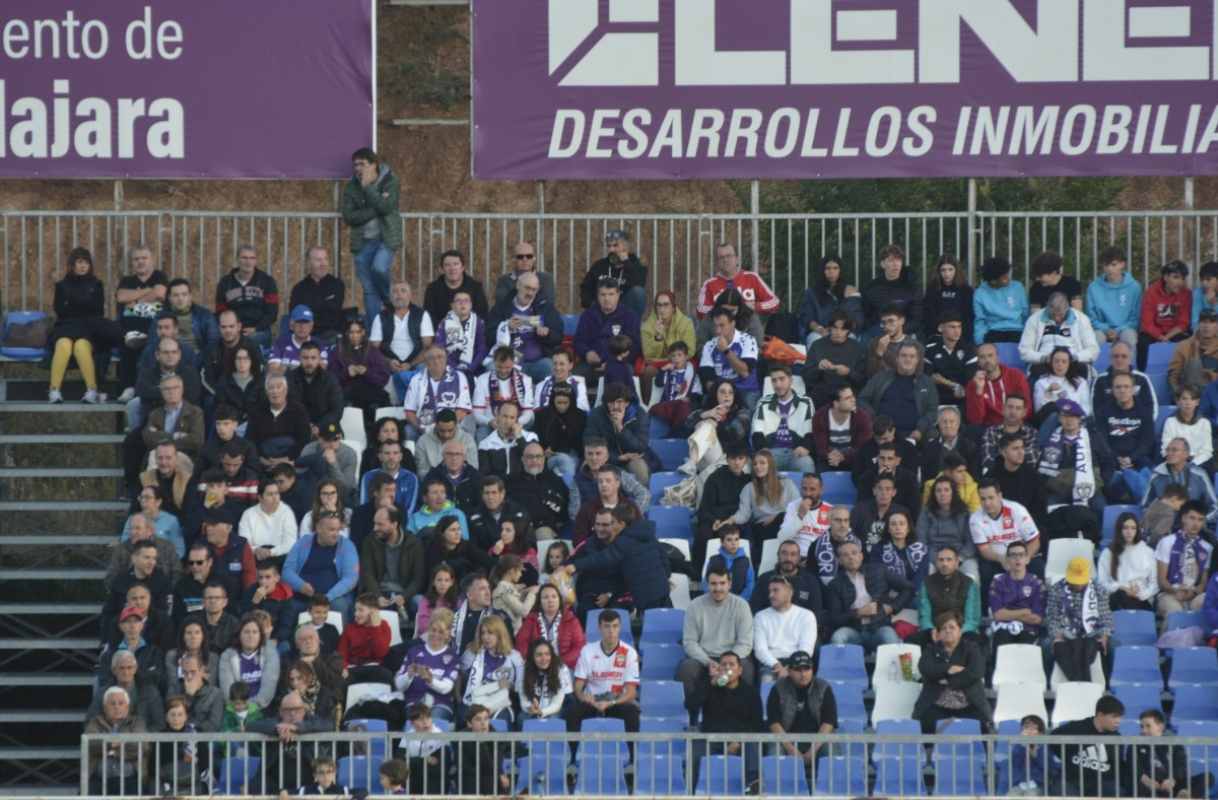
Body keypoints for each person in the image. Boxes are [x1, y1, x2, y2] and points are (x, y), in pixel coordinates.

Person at [47, 247, 118, 404]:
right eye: (79, 262)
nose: (83, 266)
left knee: (81, 346)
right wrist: (84, 303)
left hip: (88, 328)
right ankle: (54, 391)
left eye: (86, 262)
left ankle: (92, 390)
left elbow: (98, 310)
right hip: (66, 326)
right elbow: (60, 310)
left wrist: (72, 303)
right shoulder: (61, 285)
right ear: (72, 264)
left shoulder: (97, 284)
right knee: (63, 344)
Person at [689, 650, 763, 789]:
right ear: (719, 668)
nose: (728, 668)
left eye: (732, 664)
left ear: (740, 670)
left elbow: (757, 724)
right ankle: (693, 790)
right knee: (696, 749)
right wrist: (710, 683)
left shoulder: (750, 693)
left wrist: (738, 740)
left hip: (740, 740)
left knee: (752, 744)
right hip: (712, 738)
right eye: (724, 665)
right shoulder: (710, 686)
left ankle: (752, 787)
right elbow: (690, 705)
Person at [342, 147, 400, 323]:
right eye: (355, 165)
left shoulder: (390, 181)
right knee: (368, 288)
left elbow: (387, 207)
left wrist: (368, 188)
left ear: (374, 164)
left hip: (386, 238)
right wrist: (376, 208)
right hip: (363, 242)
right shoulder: (351, 186)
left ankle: (389, 300)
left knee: (379, 268)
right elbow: (350, 216)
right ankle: (375, 328)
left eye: (362, 164)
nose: (358, 168)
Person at [913, 611, 992, 734]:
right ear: (938, 633)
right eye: (943, 628)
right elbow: (925, 668)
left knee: (983, 727)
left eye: (952, 627)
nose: (948, 631)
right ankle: (929, 752)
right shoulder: (931, 649)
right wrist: (948, 668)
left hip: (968, 705)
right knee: (924, 723)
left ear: (960, 631)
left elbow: (976, 672)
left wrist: (947, 680)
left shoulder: (971, 648)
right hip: (937, 705)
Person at [825, 539, 911, 650]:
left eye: (854, 553)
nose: (851, 557)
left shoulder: (879, 570)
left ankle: (894, 667)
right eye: (845, 555)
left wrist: (892, 607)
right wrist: (858, 613)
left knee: (889, 636)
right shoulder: (835, 584)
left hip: (879, 627)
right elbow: (834, 618)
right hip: (854, 630)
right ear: (839, 560)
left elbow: (908, 588)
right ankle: (840, 668)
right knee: (838, 637)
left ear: (861, 556)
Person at [567, 608, 641, 732]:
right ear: (599, 628)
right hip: (593, 702)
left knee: (631, 712)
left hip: (616, 701)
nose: (611, 631)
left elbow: (631, 692)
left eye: (615, 626)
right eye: (607, 626)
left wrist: (611, 703)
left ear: (620, 627)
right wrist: (584, 697)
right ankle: (574, 751)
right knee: (573, 712)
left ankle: (631, 751)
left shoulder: (629, 652)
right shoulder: (588, 650)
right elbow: (578, 686)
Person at [765, 650, 837, 774]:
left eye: (807, 669)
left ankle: (832, 791)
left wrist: (813, 750)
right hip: (787, 739)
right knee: (775, 749)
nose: (803, 674)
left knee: (831, 747)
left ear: (812, 669)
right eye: (798, 670)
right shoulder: (778, 688)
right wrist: (791, 749)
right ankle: (776, 792)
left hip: (817, 739)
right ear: (789, 671)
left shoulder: (823, 687)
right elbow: (774, 722)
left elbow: (828, 722)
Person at [487, 270, 563, 385]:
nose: (530, 293)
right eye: (527, 288)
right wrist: (505, 328)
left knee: (550, 367)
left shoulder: (545, 307)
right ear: (518, 285)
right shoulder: (502, 307)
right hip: (508, 363)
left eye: (534, 290)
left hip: (537, 363)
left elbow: (558, 336)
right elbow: (488, 335)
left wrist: (547, 334)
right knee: (492, 368)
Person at [114, 244, 169, 400]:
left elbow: (160, 292)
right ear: (132, 263)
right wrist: (147, 292)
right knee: (128, 341)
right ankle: (129, 387)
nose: (140, 262)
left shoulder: (159, 276)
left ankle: (147, 387)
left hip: (152, 327)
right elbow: (121, 297)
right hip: (129, 328)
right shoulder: (127, 280)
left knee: (151, 345)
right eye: (136, 259)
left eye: (144, 258)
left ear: (152, 260)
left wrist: (135, 300)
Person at [970, 479, 1041, 597]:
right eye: (983, 499)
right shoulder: (975, 519)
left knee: (1038, 567)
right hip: (996, 559)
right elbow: (984, 550)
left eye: (991, 498)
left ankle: (1039, 608)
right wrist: (1001, 559)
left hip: (1021, 555)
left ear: (999, 496)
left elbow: (1034, 541)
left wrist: (1025, 558)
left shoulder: (1017, 510)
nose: (987, 503)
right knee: (985, 572)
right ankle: (987, 611)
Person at [282, 511, 360, 618]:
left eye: (338, 530)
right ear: (319, 528)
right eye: (332, 530)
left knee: (340, 606)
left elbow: (351, 578)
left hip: (333, 597)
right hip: (303, 595)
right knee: (289, 605)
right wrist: (300, 585)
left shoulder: (347, 546)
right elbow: (287, 571)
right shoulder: (303, 542)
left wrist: (328, 597)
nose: (336, 534)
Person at [1047, 557, 1112, 682]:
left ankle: (1077, 686)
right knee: (1063, 647)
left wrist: (1104, 635)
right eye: (1074, 581)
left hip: (1091, 636)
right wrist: (1057, 634)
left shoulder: (1099, 591)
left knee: (1084, 646)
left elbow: (1105, 617)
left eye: (1081, 581)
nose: (1078, 584)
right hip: (1065, 636)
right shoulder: (1056, 590)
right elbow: (1052, 618)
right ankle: (1085, 685)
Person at [1095, 372, 1157, 503]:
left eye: (1126, 387)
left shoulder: (1144, 412)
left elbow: (1147, 442)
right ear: (1112, 390)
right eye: (1118, 387)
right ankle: (1143, 501)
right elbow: (1102, 442)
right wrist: (1117, 458)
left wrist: (1131, 458)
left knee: (1145, 474)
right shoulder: (1103, 412)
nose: (1122, 390)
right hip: (1111, 462)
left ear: (1133, 389)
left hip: (1138, 460)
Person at [359, 505, 425, 626]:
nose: (375, 528)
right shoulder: (369, 541)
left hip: (405, 593)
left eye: (380, 524)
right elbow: (367, 574)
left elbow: (418, 579)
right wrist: (377, 596)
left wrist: (404, 596)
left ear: (394, 524)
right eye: (375, 523)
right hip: (379, 592)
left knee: (420, 601)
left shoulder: (414, 543)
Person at [858, 342, 938, 441]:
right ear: (897, 358)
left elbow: (933, 410)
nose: (907, 359)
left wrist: (920, 429)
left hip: (913, 435)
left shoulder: (926, 382)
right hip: (883, 435)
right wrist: (876, 420)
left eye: (912, 356)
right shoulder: (881, 377)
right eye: (903, 355)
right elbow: (862, 399)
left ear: (917, 360)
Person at [371, 280, 435, 403]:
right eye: (395, 292)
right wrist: (388, 361)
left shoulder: (422, 315)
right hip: (389, 364)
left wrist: (410, 364)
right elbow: (374, 349)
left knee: (425, 369)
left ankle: (407, 404)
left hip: (416, 363)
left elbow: (427, 346)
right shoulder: (381, 317)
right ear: (390, 296)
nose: (399, 295)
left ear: (410, 295)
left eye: (403, 291)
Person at [574, 278, 642, 391]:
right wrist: (587, 353)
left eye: (611, 294)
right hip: (592, 365)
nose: (607, 298)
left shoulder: (630, 316)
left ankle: (617, 407)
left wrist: (613, 361)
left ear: (618, 295)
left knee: (622, 374)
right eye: (603, 294)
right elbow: (578, 341)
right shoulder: (588, 315)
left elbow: (634, 346)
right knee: (571, 379)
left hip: (620, 364)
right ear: (597, 296)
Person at [731, 450, 799, 561]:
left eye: (762, 463)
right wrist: (731, 520)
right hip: (762, 528)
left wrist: (777, 516)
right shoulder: (749, 488)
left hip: (784, 524)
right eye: (755, 464)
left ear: (770, 465)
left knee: (784, 519)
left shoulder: (787, 483)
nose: (758, 466)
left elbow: (797, 508)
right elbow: (743, 514)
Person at [1052, 695, 1124, 798]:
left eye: (1120, 717)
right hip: (1072, 780)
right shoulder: (1076, 727)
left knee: (1116, 791)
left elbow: (1116, 765)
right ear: (1100, 715)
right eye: (1114, 716)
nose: (1118, 721)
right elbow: (1053, 738)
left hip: (1100, 784)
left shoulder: (1116, 737)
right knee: (1061, 789)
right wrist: (1066, 757)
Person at [328, 317, 390, 436]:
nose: (354, 336)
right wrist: (346, 373)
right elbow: (330, 379)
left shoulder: (373, 351)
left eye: (358, 332)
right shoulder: (337, 351)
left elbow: (383, 378)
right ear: (346, 334)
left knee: (376, 404)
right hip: (347, 394)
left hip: (370, 393)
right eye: (351, 332)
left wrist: (367, 372)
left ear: (363, 333)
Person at [585, 382, 654, 485]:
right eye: (611, 402)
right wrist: (617, 457)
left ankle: (641, 498)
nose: (615, 406)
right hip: (605, 457)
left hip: (633, 457)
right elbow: (590, 442)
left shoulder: (639, 414)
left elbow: (640, 446)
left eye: (619, 402)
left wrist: (621, 428)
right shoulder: (596, 415)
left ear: (627, 403)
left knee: (639, 468)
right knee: (588, 464)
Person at [85, 686, 150, 795]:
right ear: (105, 707)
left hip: (130, 779)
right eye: (112, 703)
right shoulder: (95, 722)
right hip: (99, 780)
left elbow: (142, 746)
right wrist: (113, 744)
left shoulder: (137, 722)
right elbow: (91, 744)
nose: (116, 707)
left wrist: (112, 751)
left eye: (120, 703)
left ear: (127, 707)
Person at [750, 365, 815, 473]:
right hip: (771, 452)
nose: (778, 384)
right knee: (760, 466)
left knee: (806, 464)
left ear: (790, 380)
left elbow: (810, 430)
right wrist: (763, 451)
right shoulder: (763, 402)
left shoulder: (805, 402)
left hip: (796, 452)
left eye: (782, 379)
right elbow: (757, 431)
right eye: (774, 380)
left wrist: (805, 447)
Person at [753, 574, 818, 681]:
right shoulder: (761, 616)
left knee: (800, 678)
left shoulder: (806, 615)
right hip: (770, 664)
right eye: (770, 591)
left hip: (798, 662)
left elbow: (806, 648)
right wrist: (777, 666)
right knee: (766, 680)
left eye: (776, 590)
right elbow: (760, 650)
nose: (771, 595)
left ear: (789, 593)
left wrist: (789, 668)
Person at [460, 615, 524, 721]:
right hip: (475, 701)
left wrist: (510, 686)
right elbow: (462, 679)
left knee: (501, 720)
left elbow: (520, 686)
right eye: (483, 633)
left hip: (501, 703)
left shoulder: (514, 657)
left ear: (500, 634)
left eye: (490, 633)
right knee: (464, 716)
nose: (485, 637)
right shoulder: (471, 654)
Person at [215, 244, 279, 350]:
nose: (248, 262)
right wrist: (233, 328)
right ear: (237, 260)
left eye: (252, 258)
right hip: (232, 329)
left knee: (249, 341)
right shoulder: (225, 283)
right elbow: (220, 311)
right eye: (244, 258)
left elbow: (272, 313)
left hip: (259, 330)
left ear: (256, 261)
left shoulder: (267, 281)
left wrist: (256, 328)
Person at [1155, 500, 1213, 615]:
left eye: (1200, 519)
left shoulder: (1207, 548)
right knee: (1175, 611)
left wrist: (1194, 593)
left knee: (1206, 601)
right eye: (1192, 518)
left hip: (1194, 594)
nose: (1196, 524)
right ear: (1183, 518)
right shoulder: (1167, 542)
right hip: (1169, 593)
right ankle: (1170, 633)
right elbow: (1161, 580)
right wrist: (1175, 590)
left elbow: (1204, 582)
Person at [403, 345, 472, 440]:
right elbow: (409, 411)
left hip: (451, 425)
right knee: (408, 431)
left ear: (446, 359)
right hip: (423, 425)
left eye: (440, 357)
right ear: (426, 362)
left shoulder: (459, 377)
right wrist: (420, 427)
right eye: (431, 358)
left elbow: (462, 410)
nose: (436, 361)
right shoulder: (416, 380)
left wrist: (445, 428)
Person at [699, 306, 761, 412]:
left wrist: (726, 351)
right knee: (705, 408)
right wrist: (721, 396)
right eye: (716, 326)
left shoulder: (748, 340)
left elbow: (745, 372)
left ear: (733, 324)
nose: (718, 331)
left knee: (743, 416)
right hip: (721, 392)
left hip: (745, 390)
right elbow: (708, 380)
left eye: (722, 325)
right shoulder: (709, 345)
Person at [696, 241, 780, 319]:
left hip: (749, 328)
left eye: (729, 256)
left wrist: (752, 306)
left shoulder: (752, 277)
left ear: (737, 259)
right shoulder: (709, 284)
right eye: (721, 257)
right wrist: (722, 309)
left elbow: (774, 302)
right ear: (717, 262)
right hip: (720, 330)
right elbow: (700, 311)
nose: (725, 260)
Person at [1019, 291, 1100, 371]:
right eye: (1053, 314)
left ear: (1067, 308)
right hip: (1044, 362)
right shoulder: (1034, 319)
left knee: (1082, 371)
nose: (1057, 318)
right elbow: (1024, 351)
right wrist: (1044, 358)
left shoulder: (1082, 319)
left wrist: (1074, 357)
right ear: (1047, 307)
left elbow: (1093, 350)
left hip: (1073, 362)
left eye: (1061, 314)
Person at [640, 291, 698, 403]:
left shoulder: (685, 323)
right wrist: (658, 337)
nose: (662, 309)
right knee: (648, 371)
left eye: (666, 305)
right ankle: (649, 405)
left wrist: (673, 360)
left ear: (673, 307)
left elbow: (690, 351)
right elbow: (648, 354)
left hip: (680, 361)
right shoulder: (648, 325)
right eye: (659, 305)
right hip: (659, 363)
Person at [916, 546, 981, 644]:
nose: (944, 564)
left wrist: (959, 632)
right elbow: (924, 615)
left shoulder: (969, 583)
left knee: (977, 642)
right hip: (936, 630)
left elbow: (972, 619)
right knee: (913, 641)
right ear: (936, 563)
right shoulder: (927, 583)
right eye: (941, 560)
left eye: (949, 560)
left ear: (957, 562)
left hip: (962, 631)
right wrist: (932, 630)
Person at [513, 583, 585, 671]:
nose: (550, 600)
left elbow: (579, 646)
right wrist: (535, 661)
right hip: (536, 666)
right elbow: (521, 643)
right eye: (545, 597)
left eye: (554, 597)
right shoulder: (531, 619)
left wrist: (560, 662)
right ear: (539, 601)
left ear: (559, 600)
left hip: (564, 666)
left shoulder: (571, 620)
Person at [988, 540, 1046, 650]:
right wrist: (1025, 612)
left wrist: (1009, 614)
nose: (1017, 559)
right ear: (1007, 560)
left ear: (1027, 559)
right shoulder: (998, 582)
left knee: (1026, 646)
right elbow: (998, 615)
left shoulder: (1036, 583)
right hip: (1003, 628)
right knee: (1001, 640)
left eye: (1021, 555)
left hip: (1028, 629)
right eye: (1013, 555)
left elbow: (1037, 618)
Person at [917, 476, 977, 579]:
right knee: (926, 573)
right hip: (933, 554)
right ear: (934, 494)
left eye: (946, 490)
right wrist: (937, 559)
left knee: (971, 576)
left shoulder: (964, 512)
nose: (942, 494)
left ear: (953, 492)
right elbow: (921, 540)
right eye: (938, 491)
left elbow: (970, 542)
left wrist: (959, 559)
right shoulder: (926, 512)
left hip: (960, 554)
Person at [1143, 439, 1218, 523]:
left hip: (1194, 529)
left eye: (1174, 450)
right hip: (1165, 528)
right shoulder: (1156, 475)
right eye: (1168, 450)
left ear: (1186, 454)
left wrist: (1200, 521)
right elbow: (1145, 506)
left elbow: (1215, 507)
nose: (1169, 453)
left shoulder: (1199, 475)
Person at [247, 375, 312, 470]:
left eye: (278, 387)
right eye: (271, 388)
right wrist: (262, 459)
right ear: (266, 392)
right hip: (264, 460)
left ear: (286, 390)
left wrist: (286, 459)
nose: (275, 391)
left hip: (290, 460)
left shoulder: (299, 410)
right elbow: (250, 438)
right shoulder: (257, 411)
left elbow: (304, 438)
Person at [508, 442, 570, 540]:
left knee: (544, 533)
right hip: (519, 529)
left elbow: (565, 507)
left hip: (548, 529)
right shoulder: (511, 482)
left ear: (544, 459)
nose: (534, 460)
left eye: (538, 456)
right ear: (523, 459)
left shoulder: (555, 480)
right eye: (530, 457)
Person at [797, 254, 863, 347]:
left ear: (841, 271)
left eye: (835, 268)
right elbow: (808, 318)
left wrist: (840, 331)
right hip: (820, 332)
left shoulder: (849, 291)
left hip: (844, 331)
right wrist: (821, 330)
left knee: (851, 340)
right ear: (822, 271)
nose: (831, 271)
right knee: (815, 340)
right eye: (827, 268)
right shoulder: (811, 293)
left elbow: (856, 319)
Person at [580, 228, 648, 316]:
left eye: (615, 245)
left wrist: (626, 263)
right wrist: (593, 305)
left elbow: (639, 284)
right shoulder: (600, 265)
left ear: (625, 246)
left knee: (638, 292)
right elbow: (585, 289)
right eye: (609, 246)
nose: (611, 250)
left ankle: (632, 327)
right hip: (602, 309)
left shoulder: (636, 264)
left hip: (624, 311)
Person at [1098, 512, 1158, 612]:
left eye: (1133, 528)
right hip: (1117, 597)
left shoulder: (1148, 552)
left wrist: (1141, 594)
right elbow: (1102, 583)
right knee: (1120, 596)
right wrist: (1122, 588)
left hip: (1141, 598)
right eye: (1125, 528)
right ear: (1119, 529)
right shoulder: (1108, 552)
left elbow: (1155, 583)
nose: (1129, 532)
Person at [218, 614, 280, 710]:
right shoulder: (227, 655)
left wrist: (252, 706)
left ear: (260, 635)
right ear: (239, 635)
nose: (250, 636)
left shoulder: (270, 653)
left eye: (255, 632)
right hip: (235, 708)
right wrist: (238, 707)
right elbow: (227, 689)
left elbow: (269, 687)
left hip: (263, 708)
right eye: (246, 632)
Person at [1087, 246, 1143, 352]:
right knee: (1094, 339)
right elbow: (1091, 318)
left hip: (1126, 329)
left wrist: (1118, 330)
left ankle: (1129, 368)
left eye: (1113, 265)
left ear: (1122, 264)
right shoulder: (1093, 287)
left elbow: (1135, 318)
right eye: (1106, 265)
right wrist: (1106, 329)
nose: (1109, 269)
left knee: (1129, 337)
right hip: (1101, 330)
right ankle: (1092, 369)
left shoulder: (1134, 287)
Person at [1140, 260, 1193, 370]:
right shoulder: (1151, 292)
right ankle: (1141, 376)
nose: (1180, 282)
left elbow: (1184, 322)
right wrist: (1160, 336)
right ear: (1165, 277)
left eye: (1183, 278)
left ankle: (1184, 377)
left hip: (1174, 332)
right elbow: (1147, 323)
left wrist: (1167, 337)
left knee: (1189, 343)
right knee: (1142, 343)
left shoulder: (1186, 293)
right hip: (1154, 332)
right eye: (1176, 277)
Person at [966, 343, 1034, 427]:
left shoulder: (1016, 376)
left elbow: (1027, 408)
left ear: (998, 357)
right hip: (989, 428)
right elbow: (975, 420)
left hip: (1015, 424)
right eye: (982, 357)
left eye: (990, 355)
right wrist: (979, 392)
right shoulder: (973, 384)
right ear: (978, 362)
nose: (987, 360)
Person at [288, 247, 345, 344]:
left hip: (330, 334)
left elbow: (333, 314)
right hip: (305, 334)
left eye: (325, 259)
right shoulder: (299, 288)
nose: (323, 264)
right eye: (318, 260)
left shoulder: (337, 285)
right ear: (309, 263)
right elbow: (296, 315)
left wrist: (309, 313)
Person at [861, 243, 921, 336]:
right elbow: (866, 317)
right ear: (882, 264)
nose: (896, 264)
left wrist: (898, 332)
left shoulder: (911, 287)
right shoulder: (871, 288)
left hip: (905, 333)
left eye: (899, 260)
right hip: (878, 332)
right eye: (891, 260)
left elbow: (916, 319)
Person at [811, 385, 872, 473]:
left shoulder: (862, 417)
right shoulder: (820, 416)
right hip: (829, 459)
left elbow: (862, 447)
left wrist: (843, 457)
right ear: (836, 403)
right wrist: (831, 456)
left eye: (852, 396)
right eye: (847, 398)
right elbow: (821, 447)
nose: (853, 400)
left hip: (853, 459)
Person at [286, 341, 344, 434]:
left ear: (319, 359)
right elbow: (287, 406)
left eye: (313, 358)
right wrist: (304, 424)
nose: (309, 362)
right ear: (299, 358)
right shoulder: (289, 378)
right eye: (305, 358)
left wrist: (319, 427)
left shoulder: (330, 379)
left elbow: (337, 410)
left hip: (326, 427)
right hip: (297, 427)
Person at [1093, 341, 1159, 420]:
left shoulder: (1142, 379)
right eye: (1116, 356)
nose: (1119, 360)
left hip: (1138, 428)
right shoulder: (1100, 380)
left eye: (1124, 356)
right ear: (1110, 358)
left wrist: (1141, 427)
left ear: (1130, 358)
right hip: (1109, 428)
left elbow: (1152, 408)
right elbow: (1095, 410)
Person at [455, 705, 512, 796]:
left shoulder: (495, 736)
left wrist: (501, 773)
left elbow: (499, 758)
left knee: (502, 781)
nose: (483, 723)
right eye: (478, 719)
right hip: (472, 780)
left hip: (491, 778)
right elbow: (465, 767)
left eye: (486, 719)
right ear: (469, 723)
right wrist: (481, 743)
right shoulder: (461, 739)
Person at [423, 249, 489, 326]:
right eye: (447, 265)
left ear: (462, 267)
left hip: (470, 332)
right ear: (442, 269)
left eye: (456, 264)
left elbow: (482, 315)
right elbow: (429, 318)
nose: (452, 268)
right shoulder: (432, 289)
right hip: (441, 332)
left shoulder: (475, 287)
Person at [239, 479, 298, 564]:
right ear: (260, 498)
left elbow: (290, 543)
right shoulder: (248, 514)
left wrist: (271, 552)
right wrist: (256, 550)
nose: (275, 498)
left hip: (280, 558)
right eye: (270, 494)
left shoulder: (287, 512)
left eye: (277, 493)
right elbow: (244, 542)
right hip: (256, 558)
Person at [973, 255, 1029, 344]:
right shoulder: (980, 293)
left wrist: (1028, 335)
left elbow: (1025, 313)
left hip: (1017, 330)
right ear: (993, 281)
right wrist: (980, 341)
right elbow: (980, 320)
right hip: (993, 331)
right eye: (1004, 277)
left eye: (1007, 274)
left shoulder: (1017, 287)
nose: (1008, 278)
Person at [924, 311, 976, 407]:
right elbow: (929, 377)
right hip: (937, 400)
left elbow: (970, 380)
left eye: (959, 327)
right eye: (952, 327)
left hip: (962, 400)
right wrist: (954, 385)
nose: (957, 331)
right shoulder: (930, 349)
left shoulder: (969, 350)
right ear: (940, 328)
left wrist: (943, 381)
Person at [338, 593, 392, 684]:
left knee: (387, 675)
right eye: (356, 610)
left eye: (360, 610)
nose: (356, 613)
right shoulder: (350, 628)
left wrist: (375, 628)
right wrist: (343, 667)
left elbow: (381, 653)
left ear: (373, 612)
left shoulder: (383, 626)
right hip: (353, 669)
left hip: (375, 668)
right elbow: (342, 653)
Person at [434, 289, 488, 379]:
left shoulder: (479, 323)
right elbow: (440, 348)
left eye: (466, 301)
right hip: (449, 368)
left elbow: (482, 349)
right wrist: (454, 368)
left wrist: (471, 367)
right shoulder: (444, 323)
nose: (462, 303)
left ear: (471, 305)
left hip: (474, 368)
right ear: (452, 306)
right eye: (458, 301)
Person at [1169, 308, 1218, 399]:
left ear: (1217, 326)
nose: (1207, 326)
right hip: (1190, 396)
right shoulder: (1183, 346)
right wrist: (1179, 396)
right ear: (1198, 324)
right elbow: (1173, 375)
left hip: (1213, 395)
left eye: (1211, 322)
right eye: (1203, 322)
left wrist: (1209, 375)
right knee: (1193, 365)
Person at [1164, 385, 1214, 475]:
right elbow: (1165, 447)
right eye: (1184, 399)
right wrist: (1180, 461)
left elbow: (1207, 451)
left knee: (1209, 465)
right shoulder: (1170, 422)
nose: (1188, 403)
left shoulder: (1204, 423)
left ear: (1197, 402)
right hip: (1175, 460)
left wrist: (1193, 464)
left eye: (1192, 399)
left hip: (1199, 462)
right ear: (1178, 401)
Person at [1033, 346, 1091, 420]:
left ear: (1069, 363)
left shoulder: (1080, 382)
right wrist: (1048, 392)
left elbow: (1086, 409)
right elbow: (1038, 411)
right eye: (1056, 361)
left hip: (1076, 422)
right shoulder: (1041, 383)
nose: (1060, 364)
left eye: (1064, 361)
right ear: (1051, 363)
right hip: (1052, 423)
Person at [494, 240, 557, 307]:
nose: (525, 259)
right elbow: (502, 304)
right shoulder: (504, 280)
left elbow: (547, 303)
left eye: (529, 256)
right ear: (513, 259)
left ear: (534, 259)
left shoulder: (546, 279)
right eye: (520, 257)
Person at [867, 303, 921, 377]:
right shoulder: (875, 343)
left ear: (902, 321)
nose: (886, 326)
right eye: (883, 322)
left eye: (891, 321)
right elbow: (870, 375)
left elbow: (918, 376)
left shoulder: (915, 346)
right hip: (881, 386)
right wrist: (879, 354)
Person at [703, 525, 754, 599]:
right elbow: (706, 583)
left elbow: (750, 584)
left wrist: (739, 600)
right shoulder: (713, 560)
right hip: (716, 601)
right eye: (729, 540)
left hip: (739, 602)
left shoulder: (746, 561)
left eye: (736, 539)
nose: (734, 543)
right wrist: (716, 598)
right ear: (722, 542)